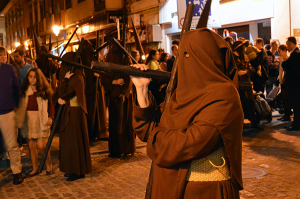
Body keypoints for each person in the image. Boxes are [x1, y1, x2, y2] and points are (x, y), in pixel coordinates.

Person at [131, 28, 243, 198]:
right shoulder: (182, 92)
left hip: (203, 191)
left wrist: (156, 138)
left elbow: (190, 142)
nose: (180, 61)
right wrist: (142, 89)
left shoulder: (224, 95)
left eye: (186, 55)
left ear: (202, 57)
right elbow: (148, 129)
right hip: (169, 185)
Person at [57, 52, 92, 181]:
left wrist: (65, 79)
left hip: (74, 113)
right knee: (71, 142)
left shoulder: (76, 77)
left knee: (74, 143)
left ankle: (77, 170)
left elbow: (62, 92)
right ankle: (73, 169)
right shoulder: (78, 75)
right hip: (73, 112)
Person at [15, 68, 54, 177]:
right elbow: (20, 105)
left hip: (41, 119)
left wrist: (51, 117)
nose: (32, 79)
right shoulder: (24, 90)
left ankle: (48, 164)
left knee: (41, 145)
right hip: (29, 120)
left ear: (39, 78)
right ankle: (35, 168)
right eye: (30, 77)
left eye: (35, 77)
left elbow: (51, 104)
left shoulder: (44, 90)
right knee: (31, 146)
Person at [101, 43, 136, 157]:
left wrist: (125, 93)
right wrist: (114, 82)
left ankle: (126, 148)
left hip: (124, 97)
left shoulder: (126, 59)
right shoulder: (110, 59)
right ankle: (117, 149)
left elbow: (129, 77)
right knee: (115, 123)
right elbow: (104, 78)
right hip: (114, 96)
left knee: (125, 122)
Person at [0, 46, 23, 185]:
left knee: (12, 144)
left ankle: (17, 172)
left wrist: (16, 106)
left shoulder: (9, 69)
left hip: (7, 111)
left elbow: (17, 88)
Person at [233, 40, 262, 130]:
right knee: (240, 104)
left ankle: (253, 122)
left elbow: (251, 69)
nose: (245, 49)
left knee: (250, 102)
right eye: (243, 48)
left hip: (246, 83)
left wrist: (245, 72)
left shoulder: (244, 57)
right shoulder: (232, 58)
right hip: (237, 84)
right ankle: (241, 124)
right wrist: (236, 73)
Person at [282, 37, 300, 131]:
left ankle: (296, 124)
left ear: (291, 44)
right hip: (295, 83)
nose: (287, 46)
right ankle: (296, 123)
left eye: (287, 44)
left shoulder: (295, 54)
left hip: (295, 84)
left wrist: (285, 60)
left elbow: (285, 65)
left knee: (296, 105)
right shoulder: (296, 53)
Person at [277, 44, 291, 121]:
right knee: (284, 98)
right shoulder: (281, 59)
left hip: (285, 81)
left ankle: (287, 115)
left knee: (286, 99)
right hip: (282, 81)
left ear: (284, 51)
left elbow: (283, 71)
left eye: (279, 51)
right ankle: (286, 114)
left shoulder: (287, 59)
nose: (278, 53)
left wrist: (281, 80)